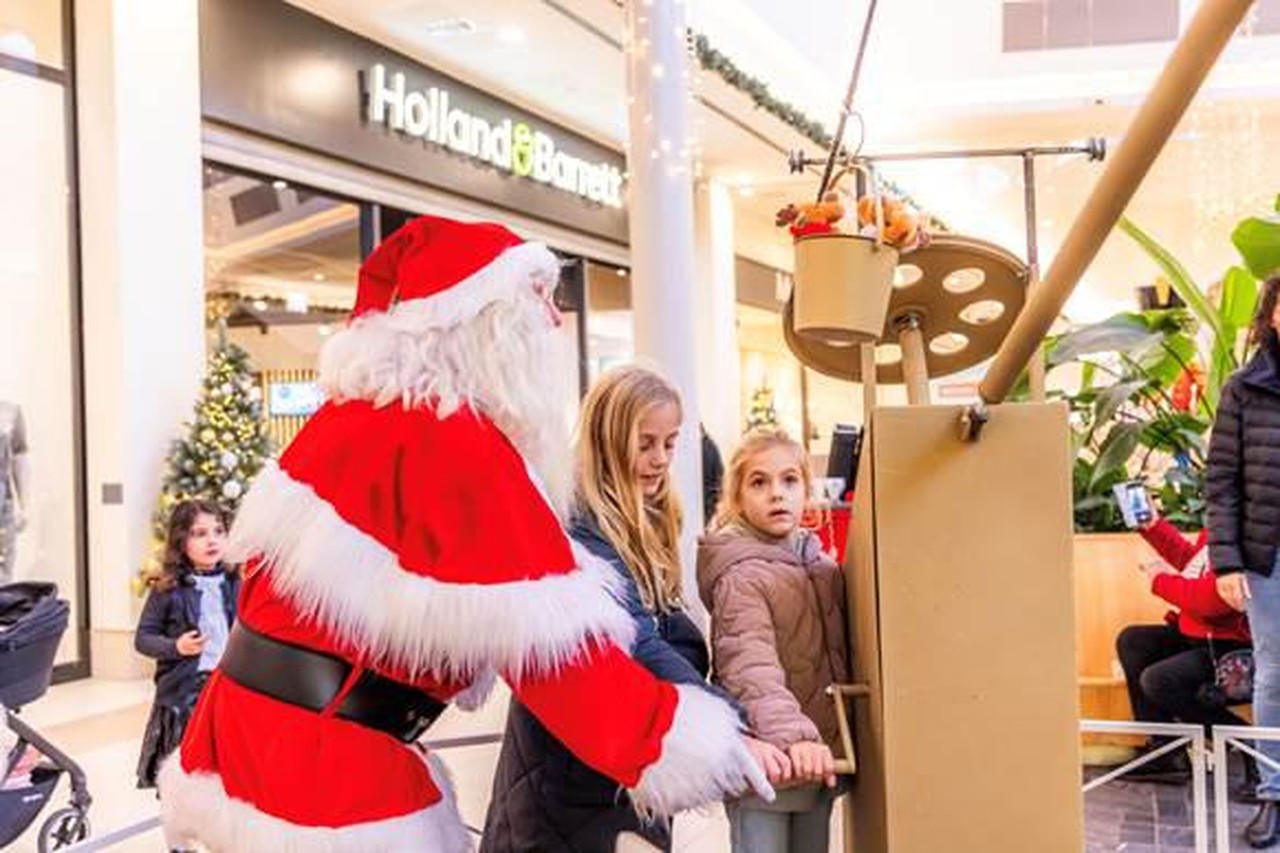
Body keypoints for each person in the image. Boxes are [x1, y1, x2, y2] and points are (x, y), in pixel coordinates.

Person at [159, 216, 770, 851]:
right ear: (487, 325)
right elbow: (561, 660)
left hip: (237, 740)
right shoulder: (457, 448)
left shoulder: (349, 420)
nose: (555, 324)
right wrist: (702, 741)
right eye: (539, 303)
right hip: (327, 781)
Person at [482, 366, 783, 852]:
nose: (660, 459)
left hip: (614, 776)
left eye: (669, 442)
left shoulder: (645, 516)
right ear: (608, 436)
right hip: (568, 785)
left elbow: (662, 634)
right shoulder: (578, 525)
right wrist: (732, 727)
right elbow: (638, 642)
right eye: (645, 443)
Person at [698, 428, 851, 853]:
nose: (776, 494)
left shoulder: (820, 567)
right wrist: (794, 738)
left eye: (789, 480)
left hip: (815, 757)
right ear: (738, 497)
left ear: (807, 488)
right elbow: (750, 667)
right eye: (759, 482)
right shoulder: (742, 575)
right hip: (769, 762)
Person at [1209, 275, 1280, 848]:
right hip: (1266, 557)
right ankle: (1273, 796)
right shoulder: (1243, 387)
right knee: (1275, 673)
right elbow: (1222, 482)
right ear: (1271, 314)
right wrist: (1227, 563)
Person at [1115, 512, 1252, 790]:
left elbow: (1214, 601)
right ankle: (1166, 753)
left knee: (1159, 680)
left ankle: (1244, 740)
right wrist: (1154, 527)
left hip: (1231, 647)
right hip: (1198, 634)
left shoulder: (1248, 534)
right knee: (1134, 641)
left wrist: (1160, 580)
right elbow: (1193, 564)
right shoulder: (1222, 524)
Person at [135, 500, 239, 792]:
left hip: (227, 687)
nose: (212, 540)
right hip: (186, 692)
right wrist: (176, 647)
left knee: (223, 770)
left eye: (218, 531)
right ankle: (178, 828)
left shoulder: (234, 582)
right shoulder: (167, 588)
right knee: (185, 771)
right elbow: (143, 638)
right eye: (199, 533)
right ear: (181, 541)